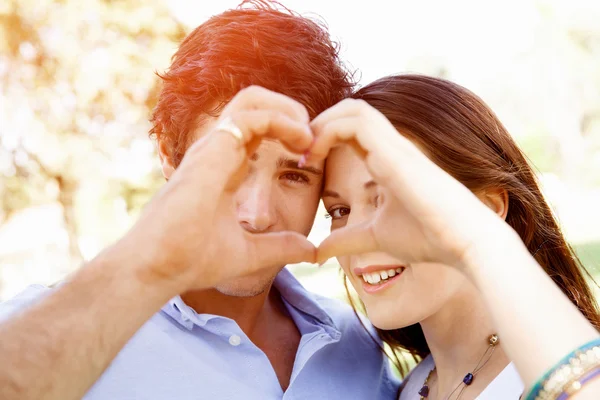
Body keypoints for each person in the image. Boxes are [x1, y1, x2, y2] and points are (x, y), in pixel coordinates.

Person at [0, 2, 399, 400]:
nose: (258, 215)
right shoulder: (41, 330)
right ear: (168, 157)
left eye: (294, 175)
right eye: (231, 165)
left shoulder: (358, 346)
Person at [309, 74, 600, 399]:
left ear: (488, 208)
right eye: (339, 210)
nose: (354, 237)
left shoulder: (552, 373)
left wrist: (484, 245)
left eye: (391, 196)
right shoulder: (407, 387)